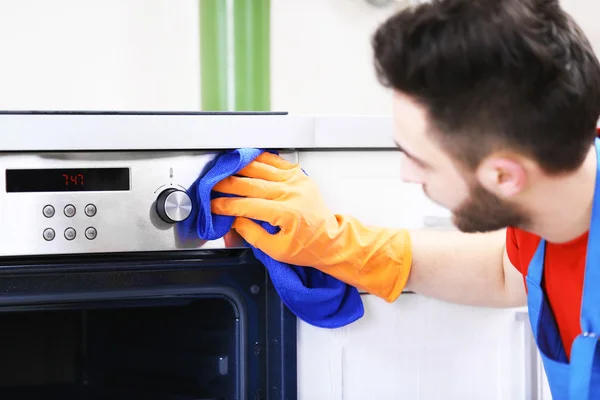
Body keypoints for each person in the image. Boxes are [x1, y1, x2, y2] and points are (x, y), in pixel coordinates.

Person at [211, 0, 600, 398]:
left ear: (503, 176)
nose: (406, 174)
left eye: (420, 161)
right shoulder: (555, 203)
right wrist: (336, 244)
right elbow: (508, 271)